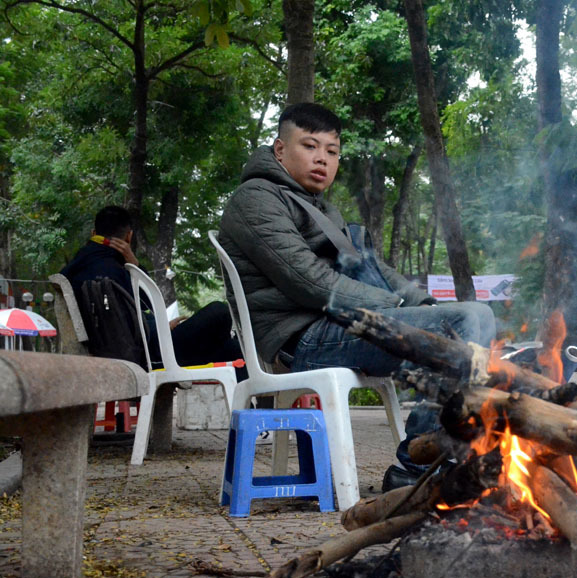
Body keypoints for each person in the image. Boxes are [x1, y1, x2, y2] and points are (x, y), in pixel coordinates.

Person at [218, 102, 495, 491]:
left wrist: (425, 306)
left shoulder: (320, 208)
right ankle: (415, 470)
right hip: (302, 337)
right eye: (310, 146)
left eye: (332, 152)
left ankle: (455, 460)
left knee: (468, 321)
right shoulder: (256, 199)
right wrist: (397, 308)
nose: (322, 159)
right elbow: (309, 282)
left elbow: (375, 270)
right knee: (467, 322)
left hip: (338, 326)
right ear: (280, 150)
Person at [61, 205, 243, 370]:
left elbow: (125, 318)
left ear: (94, 233)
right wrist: (136, 266)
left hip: (128, 349)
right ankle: (255, 402)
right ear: (129, 236)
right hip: (151, 355)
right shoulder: (118, 270)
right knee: (220, 312)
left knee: (231, 349)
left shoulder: (75, 269)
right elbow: (148, 305)